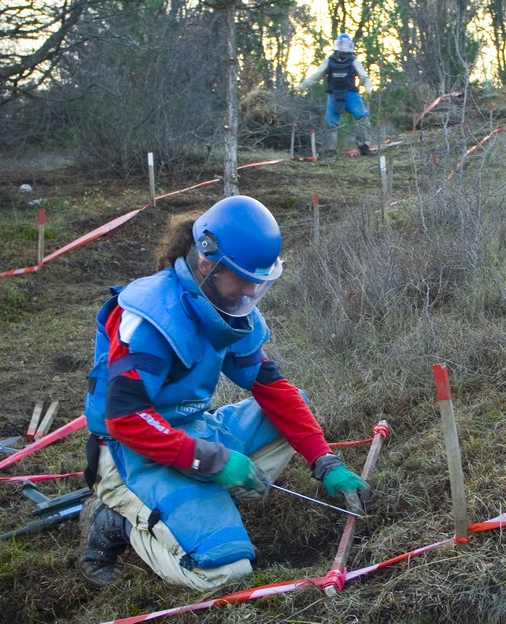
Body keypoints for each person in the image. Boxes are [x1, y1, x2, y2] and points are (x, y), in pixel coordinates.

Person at [77, 195, 373, 589]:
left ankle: (199, 503)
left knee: (290, 408)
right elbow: (125, 418)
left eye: (259, 280)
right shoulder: (149, 318)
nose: (251, 289)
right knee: (225, 571)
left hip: (191, 431)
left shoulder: (226, 305)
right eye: (244, 277)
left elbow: (271, 387)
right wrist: (211, 460)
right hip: (129, 452)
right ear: (207, 262)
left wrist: (324, 460)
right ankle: (115, 519)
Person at [297, 33, 373, 158]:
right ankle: (330, 150)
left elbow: (364, 76)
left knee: (362, 117)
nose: (343, 49)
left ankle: (364, 146)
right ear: (337, 46)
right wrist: (301, 87)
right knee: (330, 123)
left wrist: (368, 89)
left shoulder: (354, 62)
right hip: (334, 95)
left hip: (351, 95)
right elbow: (315, 76)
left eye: (345, 46)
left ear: (350, 47)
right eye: (341, 45)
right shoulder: (329, 61)